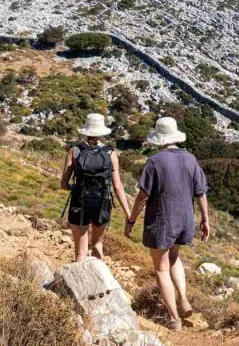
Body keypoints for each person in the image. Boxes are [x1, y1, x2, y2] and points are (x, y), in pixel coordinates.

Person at [124, 116, 210, 332]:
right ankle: (183, 298)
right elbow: (201, 193)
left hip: (162, 220)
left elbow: (142, 196)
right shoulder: (191, 159)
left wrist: (131, 219)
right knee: (174, 256)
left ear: (159, 138)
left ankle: (173, 318)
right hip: (185, 218)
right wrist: (205, 220)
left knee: (161, 268)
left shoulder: (154, 161)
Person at [61, 113, 131, 262]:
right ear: (101, 133)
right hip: (102, 203)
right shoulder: (110, 153)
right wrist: (128, 213)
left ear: (86, 131)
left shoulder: (75, 151)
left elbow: (64, 184)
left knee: (80, 253)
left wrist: (75, 187)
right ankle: (98, 274)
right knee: (98, 244)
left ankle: (80, 276)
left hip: (79, 202)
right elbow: (117, 187)